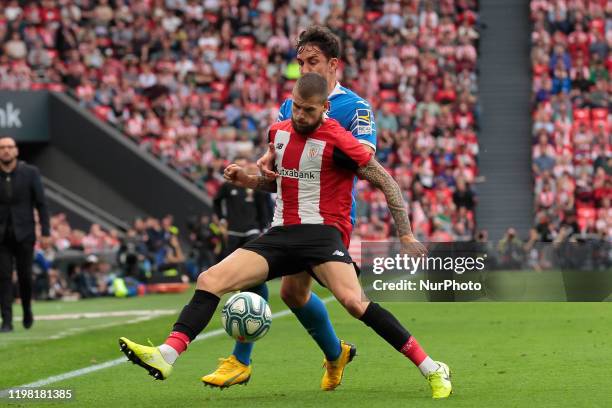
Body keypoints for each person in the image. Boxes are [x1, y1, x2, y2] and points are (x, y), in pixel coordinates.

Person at [119, 73, 452, 399]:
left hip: (322, 237)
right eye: (296, 107)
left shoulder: (338, 139)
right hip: (281, 233)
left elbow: (386, 180)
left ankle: (432, 367)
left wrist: (405, 233)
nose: (300, 115)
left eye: (309, 110)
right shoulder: (278, 132)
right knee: (210, 279)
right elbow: (279, 182)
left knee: (354, 302)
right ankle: (166, 354)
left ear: (324, 109)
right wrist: (247, 179)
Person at [202, 25, 379, 391]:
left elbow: (367, 158)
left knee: (266, 279)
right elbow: (278, 149)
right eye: (300, 62)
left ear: (334, 64)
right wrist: (260, 164)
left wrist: (328, 137)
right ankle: (336, 354)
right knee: (291, 293)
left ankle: (240, 360)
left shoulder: (356, 107)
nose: (305, 69)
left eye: (312, 61)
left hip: (326, 215)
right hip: (288, 208)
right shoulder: (291, 102)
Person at [0, 136, 50, 332]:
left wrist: (45, 231)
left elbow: (41, 203)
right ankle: (7, 320)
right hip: (1, 235)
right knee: (3, 277)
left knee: (25, 276)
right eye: (2, 147)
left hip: (25, 233)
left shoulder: (30, 173)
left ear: (16, 151)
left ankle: (27, 309)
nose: (6, 150)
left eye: (9, 147)